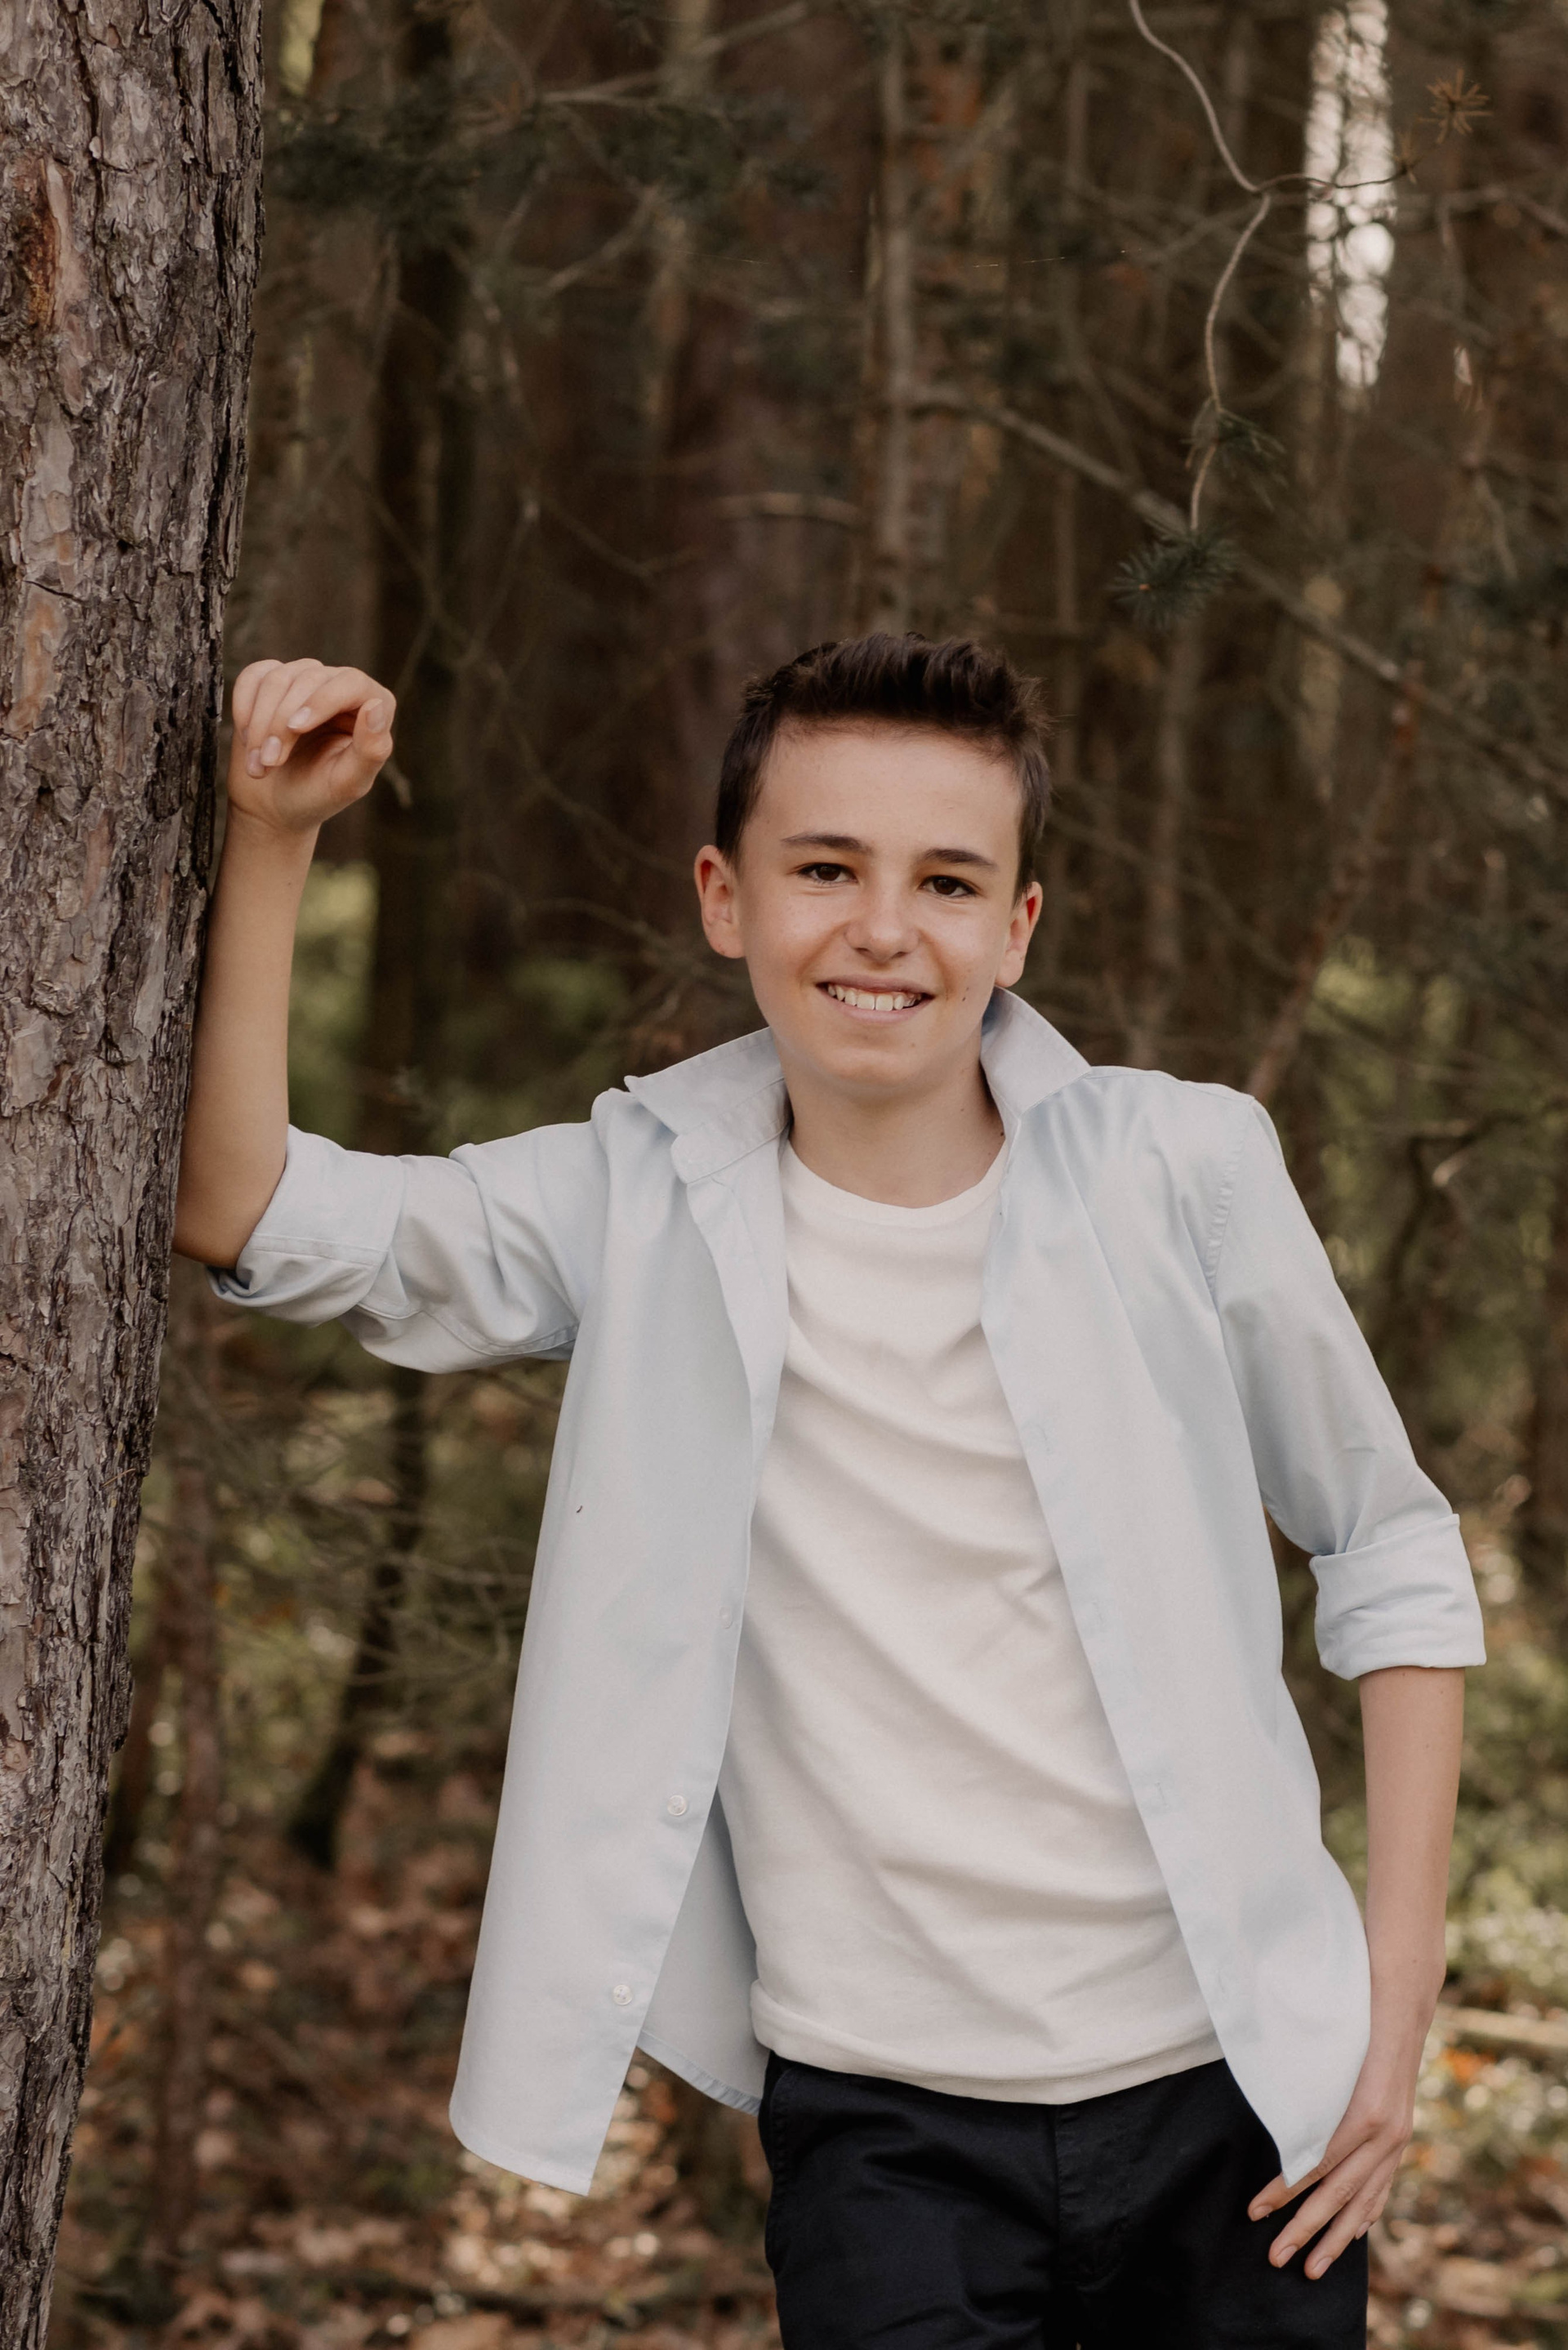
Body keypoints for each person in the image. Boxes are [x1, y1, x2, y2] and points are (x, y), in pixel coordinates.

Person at [174, 632, 1485, 2349]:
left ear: (1018, 926)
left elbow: (1388, 1542)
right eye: (824, 868)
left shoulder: (1181, 1168)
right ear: (725, 898)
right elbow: (249, 1212)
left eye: (947, 880)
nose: (883, 927)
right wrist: (273, 836)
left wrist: (1394, 1997)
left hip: (1234, 2100)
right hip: (884, 2134)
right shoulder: (636, 1196)